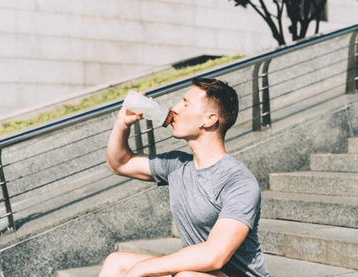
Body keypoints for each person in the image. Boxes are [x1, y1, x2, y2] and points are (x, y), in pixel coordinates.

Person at [102, 77, 269, 277]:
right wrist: (123, 123)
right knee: (117, 262)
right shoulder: (177, 164)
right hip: (203, 272)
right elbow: (119, 163)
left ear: (209, 119)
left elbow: (215, 254)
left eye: (185, 103)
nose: (175, 108)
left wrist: (142, 268)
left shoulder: (238, 181)